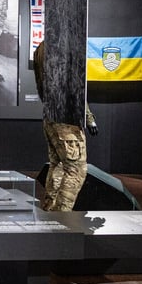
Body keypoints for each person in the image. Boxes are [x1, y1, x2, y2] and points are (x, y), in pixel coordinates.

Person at [33, 40, 98, 211]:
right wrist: (88, 116)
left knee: (58, 165)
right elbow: (75, 87)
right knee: (76, 169)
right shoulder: (63, 46)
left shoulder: (42, 47)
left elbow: (40, 82)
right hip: (66, 117)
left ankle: (49, 210)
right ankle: (61, 216)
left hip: (50, 113)